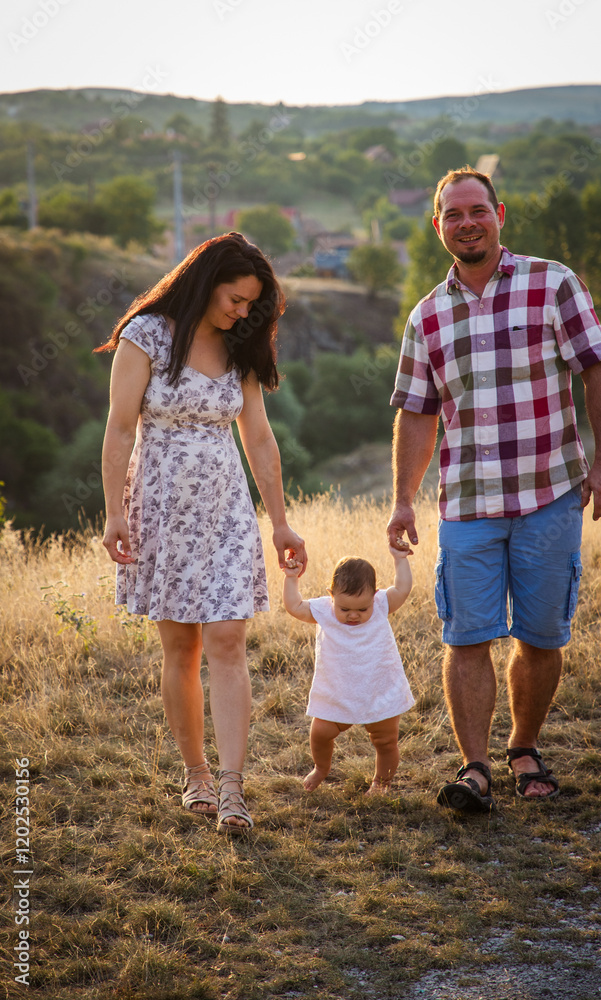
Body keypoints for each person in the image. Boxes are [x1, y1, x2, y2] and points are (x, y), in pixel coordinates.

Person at [387, 166, 601, 813]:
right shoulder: (427, 316)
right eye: (452, 215)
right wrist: (403, 498)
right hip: (466, 503)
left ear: (499, 215)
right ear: (437, 226)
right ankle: (474, 769)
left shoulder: (553, 283)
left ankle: (523, 747)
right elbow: (415, 413)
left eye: (476, 211)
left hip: (549, 495)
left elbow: (596, 371)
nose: (466, 223)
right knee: (465, 636)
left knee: (541, 635)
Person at [96, 231, 306, 833]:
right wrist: (114, 512)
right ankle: (197, 776)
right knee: (182, 649)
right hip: (159, 509)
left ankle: (235, 789)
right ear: (205, 280)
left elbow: (259, 439)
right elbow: (117, 430)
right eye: (236, 299)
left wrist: (282, 521)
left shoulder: (240, 346)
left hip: (226, 509)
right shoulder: (146, 336)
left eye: (251, 304)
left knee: (228, 640)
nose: (243, 312)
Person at [282, 548, 415, 794]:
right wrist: (292, 578)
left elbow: (403, 588)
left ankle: (381, 782)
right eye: (344, 609)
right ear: (331, 596)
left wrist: (400, 558)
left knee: (386, 742)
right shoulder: (323, 611)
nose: (353, 615)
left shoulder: (381, 605)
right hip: (337, 692)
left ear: (374, 597)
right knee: (320, 733)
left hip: (379, 690)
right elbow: (294, 606)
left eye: (362, 609)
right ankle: (321, 768)